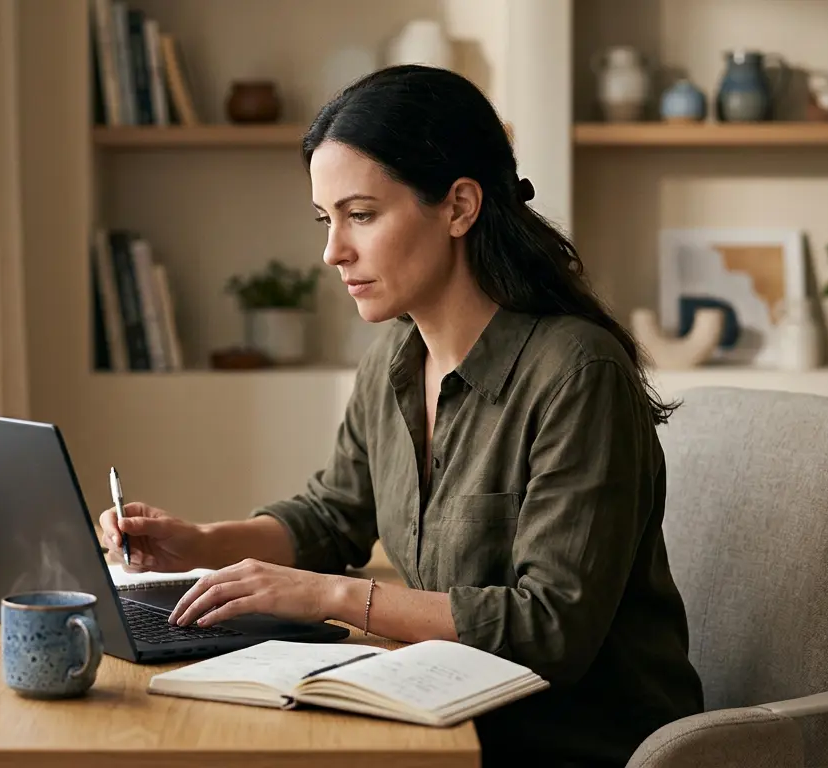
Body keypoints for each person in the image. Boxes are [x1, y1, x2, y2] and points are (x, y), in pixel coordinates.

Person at [99, 64, 704, 766]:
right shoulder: (394, 359)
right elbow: (332, 517)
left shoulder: (576, 373)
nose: (333, 252)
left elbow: (550, 627)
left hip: (569, 742)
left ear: (459, 206)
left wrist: (326, 595)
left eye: (361, 215)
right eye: (327, 221)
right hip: (439, 719)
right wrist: (197, 542)